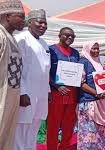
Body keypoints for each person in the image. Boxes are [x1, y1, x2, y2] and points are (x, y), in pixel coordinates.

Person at [13, 9, 50, 150]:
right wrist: (22, 92)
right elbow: (15, 68)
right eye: (39, 22)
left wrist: (47, 91)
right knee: (21, 129)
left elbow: (45, 69)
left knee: (34, 128)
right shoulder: (21, 39)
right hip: (26, 94)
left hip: (40, 94)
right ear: (29, 23)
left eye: (45, 23)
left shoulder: (44, 43)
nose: (43, 26)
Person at [48, 27, 80, 150]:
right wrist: (57, 85)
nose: (70, 38)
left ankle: (64, 147)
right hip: (57, 94)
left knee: (69, 124)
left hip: (72, 94)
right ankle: (51, 147)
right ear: (59, 35)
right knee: (54, 124)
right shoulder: (51, 50)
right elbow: (45, 72)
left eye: (72, 36)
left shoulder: (75, 53)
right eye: (66, 35)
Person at [77, 41, 105, 149]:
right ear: (87, 49)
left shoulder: (98, 63)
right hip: (89, 102)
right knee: (89, 130)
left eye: (97, 49)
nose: (96, 51)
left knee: (100, 130)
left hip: (101, 101)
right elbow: (81, 83)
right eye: (93, 48)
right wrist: (96, 93)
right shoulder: (83, 62)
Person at [0, 0, 25, 149]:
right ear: (8, 16)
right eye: (20, 16)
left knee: (6, 135)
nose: (24, 20)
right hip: (2, 95)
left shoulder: (11, 38)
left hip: (11, 95)